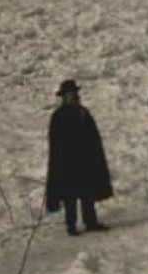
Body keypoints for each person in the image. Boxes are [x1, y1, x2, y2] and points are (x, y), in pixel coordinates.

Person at [44, 79, 113, 236]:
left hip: (85, 160)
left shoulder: (83, 112)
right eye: (70, 94)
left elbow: (93, 137)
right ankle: (71, 225)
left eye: (75, 93)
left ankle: (91, 222)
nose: (74, 96)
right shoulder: (58, 116)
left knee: (87, 193)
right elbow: (56, 143)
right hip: (68, 162)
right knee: (70, 196)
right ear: (64, 96)